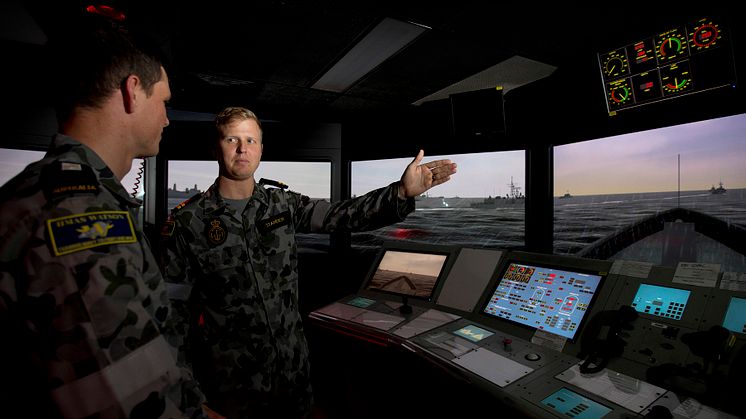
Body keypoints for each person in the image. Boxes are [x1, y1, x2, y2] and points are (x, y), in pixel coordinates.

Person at [160, 106, 458, 418]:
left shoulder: (282, 205)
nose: (242, 148)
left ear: (261, 148)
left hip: (292, 376)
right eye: (232, 139)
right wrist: (187, 396)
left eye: (250, 140)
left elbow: (344, 214)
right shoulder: (187, 221)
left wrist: (401, 192)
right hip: (230, 386)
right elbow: (171, 316)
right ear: (215, 147)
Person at [0, 15, 209, 418]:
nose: (167, 119)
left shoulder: (56, 195)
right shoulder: (78, 218)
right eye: (163, 102)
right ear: (133, 92)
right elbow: (123, 401)